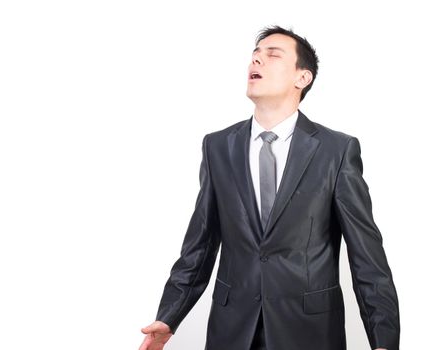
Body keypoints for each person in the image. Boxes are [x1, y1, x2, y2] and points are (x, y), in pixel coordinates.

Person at [139, 25, 400, 350]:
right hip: (232, 331)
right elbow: (200, 244)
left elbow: (367, 256)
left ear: (302, 78)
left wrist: (384, 341)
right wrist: (169, 316)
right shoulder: (218, 146)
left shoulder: (336, 150)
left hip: (310, 332)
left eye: (272, 55)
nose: (257, 61)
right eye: (254, 55)